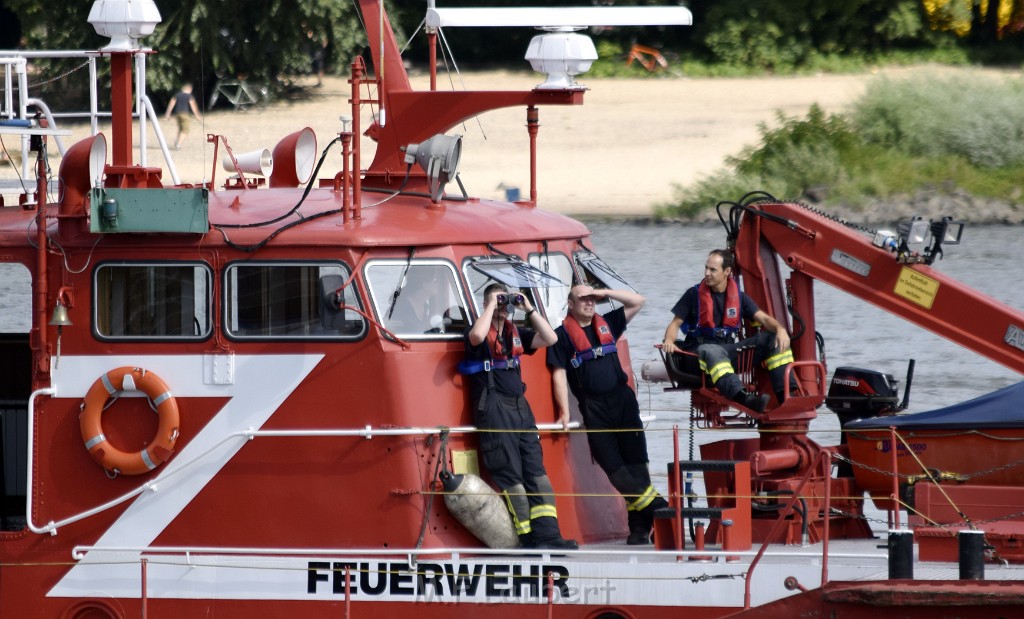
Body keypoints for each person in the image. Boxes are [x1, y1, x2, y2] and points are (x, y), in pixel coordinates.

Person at [547, 285, 668, 545]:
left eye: (592, 300)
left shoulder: (609, 322)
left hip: (623, 402)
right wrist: (564, 412)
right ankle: (661, 508)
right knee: (612, 466)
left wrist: (605, 292)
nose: (589, 303)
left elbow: (639, 300)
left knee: (636, 464)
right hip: (594, 408)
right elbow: (558, 373)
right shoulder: (561, 336)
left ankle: (639, 527)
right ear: (570, 304)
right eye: (583, 299)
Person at [461, 283, 578, 550]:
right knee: (511, 475)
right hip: (493, 409)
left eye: (505, 301)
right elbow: (478, 336)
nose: (504, 305)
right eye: (498, 300)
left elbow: (551, 338)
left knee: (537, 472)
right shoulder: (476, 331)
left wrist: (528, 308)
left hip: (520, 408)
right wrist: (491, 304)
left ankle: (549, 536)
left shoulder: (517, 333)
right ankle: (527, 539)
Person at [662, 249, 795, 412]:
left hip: (727, 351)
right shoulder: (693, 294)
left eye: (712, 270)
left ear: (727, 271)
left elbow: (765, 319)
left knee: (772, 337)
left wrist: (780, 330)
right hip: (697, 355)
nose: (707, 273)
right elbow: (675, 324)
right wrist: (669, 340)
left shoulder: (740, 298)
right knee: (711, 351)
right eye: (706, 268)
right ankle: (745, 399)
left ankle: (788, 396)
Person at [164, 83, 202, 150]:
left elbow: (171, 104)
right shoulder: (189, 96)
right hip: (185, 114)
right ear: (189, 89)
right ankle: (178, 144)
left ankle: (177, 141)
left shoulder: (176, 95)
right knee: (185, 130)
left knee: (180, 129)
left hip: (177, 114)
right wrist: (197, 115)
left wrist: (167, 114)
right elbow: (193, 106)